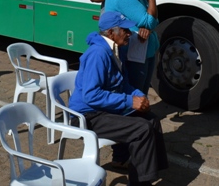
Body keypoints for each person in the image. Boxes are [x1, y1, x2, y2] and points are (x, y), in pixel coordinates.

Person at [68, 11, 168, 186]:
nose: (130, 33)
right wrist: (130, 102)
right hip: (87, 116)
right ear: (111, 33)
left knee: (152, 120)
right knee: (141, 129)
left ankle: (149, 173)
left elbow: (123, 84)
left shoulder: (116, 49)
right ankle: (141, 183)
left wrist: (138, 96)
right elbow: (91, 96)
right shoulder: (98, 54)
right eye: (125, 30)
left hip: (103, 109)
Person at [104, 0, 159, 95]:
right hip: (135, 53)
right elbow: (151, 21)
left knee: (142, 93)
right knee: (137, 94)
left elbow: (151, 21)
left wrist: (149, 25)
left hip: (143, 51)